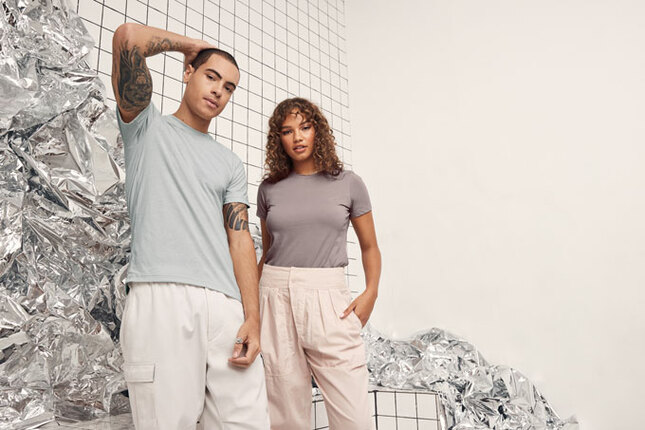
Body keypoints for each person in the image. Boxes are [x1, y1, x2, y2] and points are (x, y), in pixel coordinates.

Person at [111, 23, 269, 429]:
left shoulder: (230, 163)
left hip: (226, 306)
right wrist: (190, 45)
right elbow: (127, 38)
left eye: (229, 87)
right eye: (211, 76)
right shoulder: (146, 127)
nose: (219, 91)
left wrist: (252, 317)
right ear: (188, 72)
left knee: (249, 422)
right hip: (162, 298)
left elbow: (240, 240)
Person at [256, 98, 381, 429]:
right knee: (284, 414)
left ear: (318, 132)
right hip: (275, 294)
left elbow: (370, 246)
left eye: (305, 127)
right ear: (278, 139)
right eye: (287, 131)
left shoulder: (348, 183)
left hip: (327, 297)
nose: (297, 137)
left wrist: (371, 292)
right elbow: (267, 252)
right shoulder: (269, 188)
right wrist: (251, 312)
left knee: (354, 417)